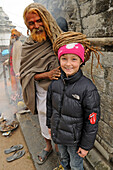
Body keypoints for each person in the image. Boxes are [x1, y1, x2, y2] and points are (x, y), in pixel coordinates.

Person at [46, 31, 101, 170]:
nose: (68, 64)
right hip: (59, 134)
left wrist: (86, 145)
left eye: (74, 59)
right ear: (59, 59)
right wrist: (49, 125)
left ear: (81, 60)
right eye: (64, 58)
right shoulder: (55, 83)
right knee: (63, 158)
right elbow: (49, 107)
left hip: (75, 140)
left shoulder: (88, 89)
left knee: (76, 165)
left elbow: (92, 120)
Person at [19, 3, 62, 164]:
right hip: (42, 91)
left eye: (39, 21)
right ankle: (48, 146)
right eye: (31, 23)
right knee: (45, 119)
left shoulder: (57, 39)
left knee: (62, 119)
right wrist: (47, 74)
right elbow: (25, 74)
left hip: (60, 89)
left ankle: (61, 148)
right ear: (27, 26)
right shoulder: (27, 46)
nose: (36, 26)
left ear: (45, 19)